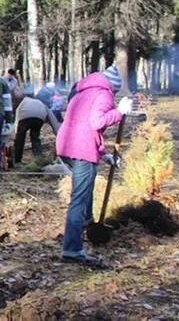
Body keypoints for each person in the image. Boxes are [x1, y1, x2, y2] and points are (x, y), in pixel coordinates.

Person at [56, 65, 132, 265]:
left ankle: (85, 226)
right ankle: (72, 250)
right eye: (115, 91)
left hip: (67, 146)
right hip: (81, 150)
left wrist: (104, 154)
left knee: (85, 191)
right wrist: (119, 112)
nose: (114, 94)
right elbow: (97, 122)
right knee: (79, 199)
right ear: (112, 87)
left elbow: (85, 127)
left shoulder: (83, 92)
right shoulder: (103, 94)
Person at [11, 88, 61, 166]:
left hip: (25, 116)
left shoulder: (22, 103)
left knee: (20, 138)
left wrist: (16, 133)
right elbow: (52, 118)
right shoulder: (40, 102)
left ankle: (17, 159)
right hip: (40, 116)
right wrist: (58, 133)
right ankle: (38, 157)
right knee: (35, 137)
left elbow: (17, 118)